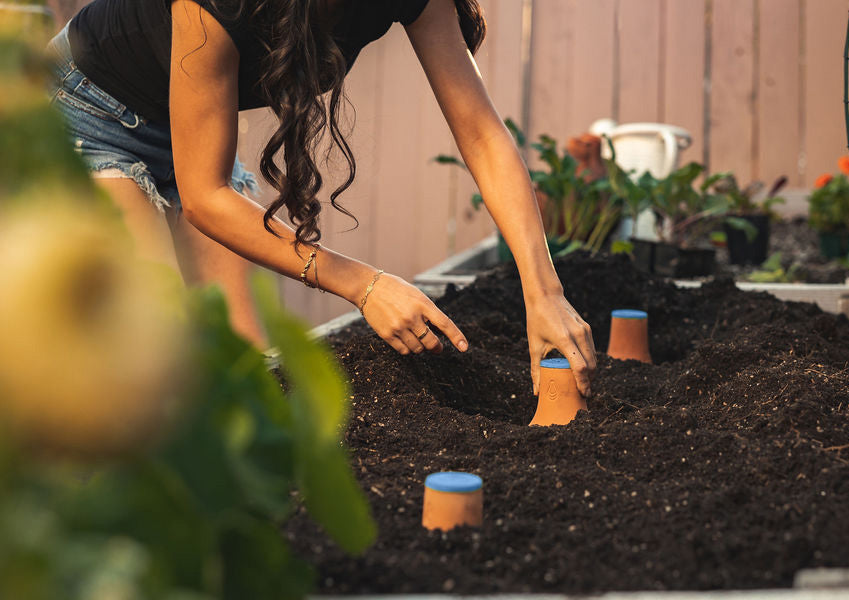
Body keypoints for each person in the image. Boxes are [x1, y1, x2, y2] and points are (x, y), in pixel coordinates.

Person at [47, 0, 597, 397]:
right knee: (150, 361)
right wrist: (366, 286)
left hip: (187, 132)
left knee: (249, 369)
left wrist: (543, 290)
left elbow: (480, 133)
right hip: (85, 112)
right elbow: (206, 196)